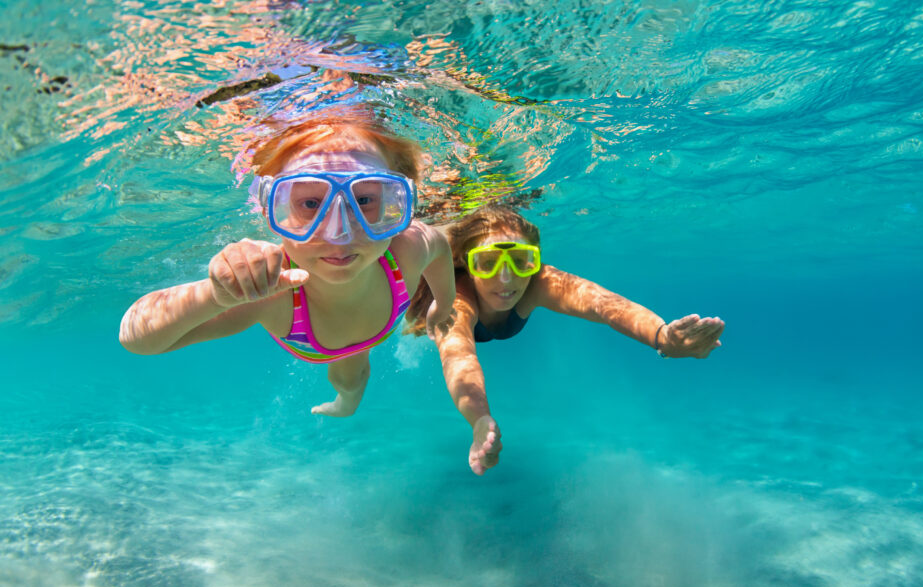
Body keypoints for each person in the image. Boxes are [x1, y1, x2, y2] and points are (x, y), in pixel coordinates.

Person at [120, 115, 456, 416]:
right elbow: (136, 339)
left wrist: (443, 304)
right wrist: (216, 295)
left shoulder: (407, 247)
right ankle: (345, 403)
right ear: (272, 210)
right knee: (348, 376)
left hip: (368, 338)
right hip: (313, 340)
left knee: (353, 376)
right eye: (310, 203)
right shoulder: (270, 289)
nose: (339, 233)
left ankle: (347, 404)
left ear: (395, 201)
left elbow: (440, 250)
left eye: (365, 200)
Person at [406, 205, 724, 475]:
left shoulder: (539, 283)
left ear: (536, 261)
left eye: (521, 260)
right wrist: (478, 419)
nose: (506, 278)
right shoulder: (456, 300)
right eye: (487, 263)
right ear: (468, 265)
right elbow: (459, 357)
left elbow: (603, 305)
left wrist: (662, 337)